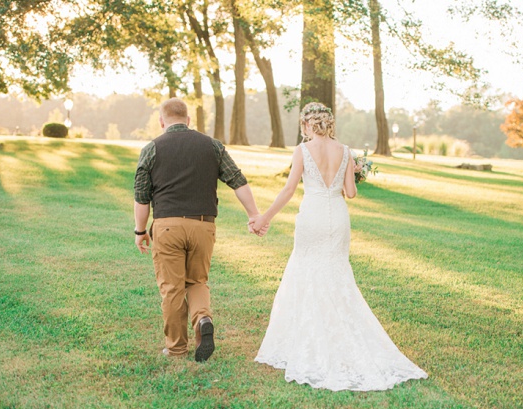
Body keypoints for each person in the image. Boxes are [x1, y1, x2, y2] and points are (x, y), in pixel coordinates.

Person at [249, 102, 428, 391]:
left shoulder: (303, 150)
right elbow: (351, 193)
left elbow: (289, 189)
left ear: (308, 125)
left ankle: (309, 339)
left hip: (313, 214)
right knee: (337, 272)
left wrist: (264, 218)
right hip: (337, 217)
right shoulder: (346, 151)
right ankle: (342, 331)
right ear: (328, 124)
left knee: (306, 270)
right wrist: (356, 170)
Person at [134, 97, 266, 362]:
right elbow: (238, 181)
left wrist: (140, 231)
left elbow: (141, 196)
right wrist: (254, 215)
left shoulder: (152, 149)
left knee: (172, 288)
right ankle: (203, 318)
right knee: (197, 281)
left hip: (167, 227)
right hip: (204, 226)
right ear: (189, 120)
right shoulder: (212, 146)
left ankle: (176, 348)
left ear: (162, 121)